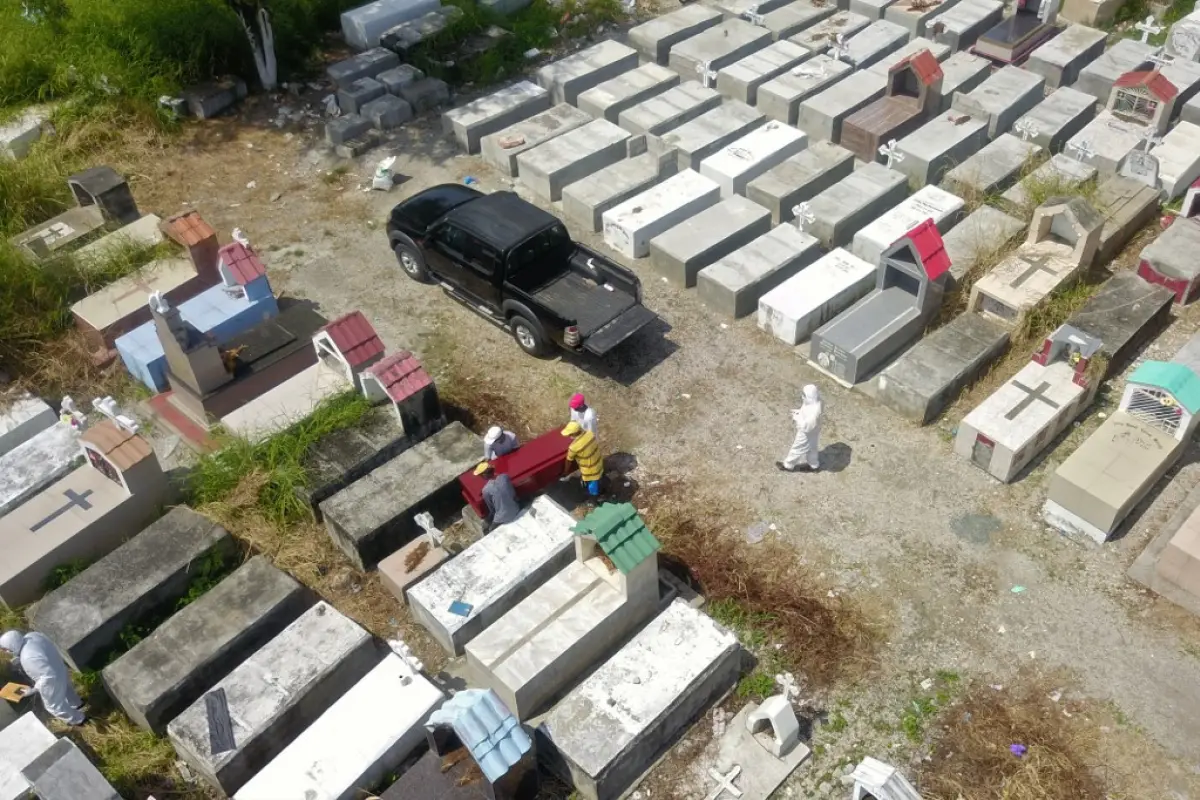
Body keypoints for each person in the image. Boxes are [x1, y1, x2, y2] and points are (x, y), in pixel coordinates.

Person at [0, 630, 85, 725]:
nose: (6, 652)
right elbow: (39, 652)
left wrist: (33, 690)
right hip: (58, 666)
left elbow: (46, 676)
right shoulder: (32, 636)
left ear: (12, 647)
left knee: (53, 706)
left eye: (6, 649)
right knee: (66, 689)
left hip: (52, 679)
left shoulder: (27, 658)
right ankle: (77, 703)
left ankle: (79, 720)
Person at [778, 384, 823, 473]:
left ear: (809, 396)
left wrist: (797, 418)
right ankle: (814, 465)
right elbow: (805, 411)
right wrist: (799, 412)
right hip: (814, 431)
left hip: (806, 433)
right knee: (812, 448)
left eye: (804, 395)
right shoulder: (815, 402)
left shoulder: (814, 413)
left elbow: (806, 426)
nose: (802, 397)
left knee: (797, 447)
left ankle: (788, 465)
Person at [562, 421, 604, 500]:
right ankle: (599, 484)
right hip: (598, 461)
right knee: (598, 476)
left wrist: (566, 471)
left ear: (574, 433)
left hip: (590, 469)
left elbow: (568, 460)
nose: (569, 436)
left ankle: (594, 498)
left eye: (570, 434)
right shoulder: (590, 434)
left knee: (592, 484)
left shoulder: (573, 447)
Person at [476, 462, 520, 532]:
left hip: (502, 517)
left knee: (487, 529)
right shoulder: (505, 476)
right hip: (516, 509)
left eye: (480, 475)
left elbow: (492, 509)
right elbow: (513, 494)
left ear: (484, 475)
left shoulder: (486, 490)